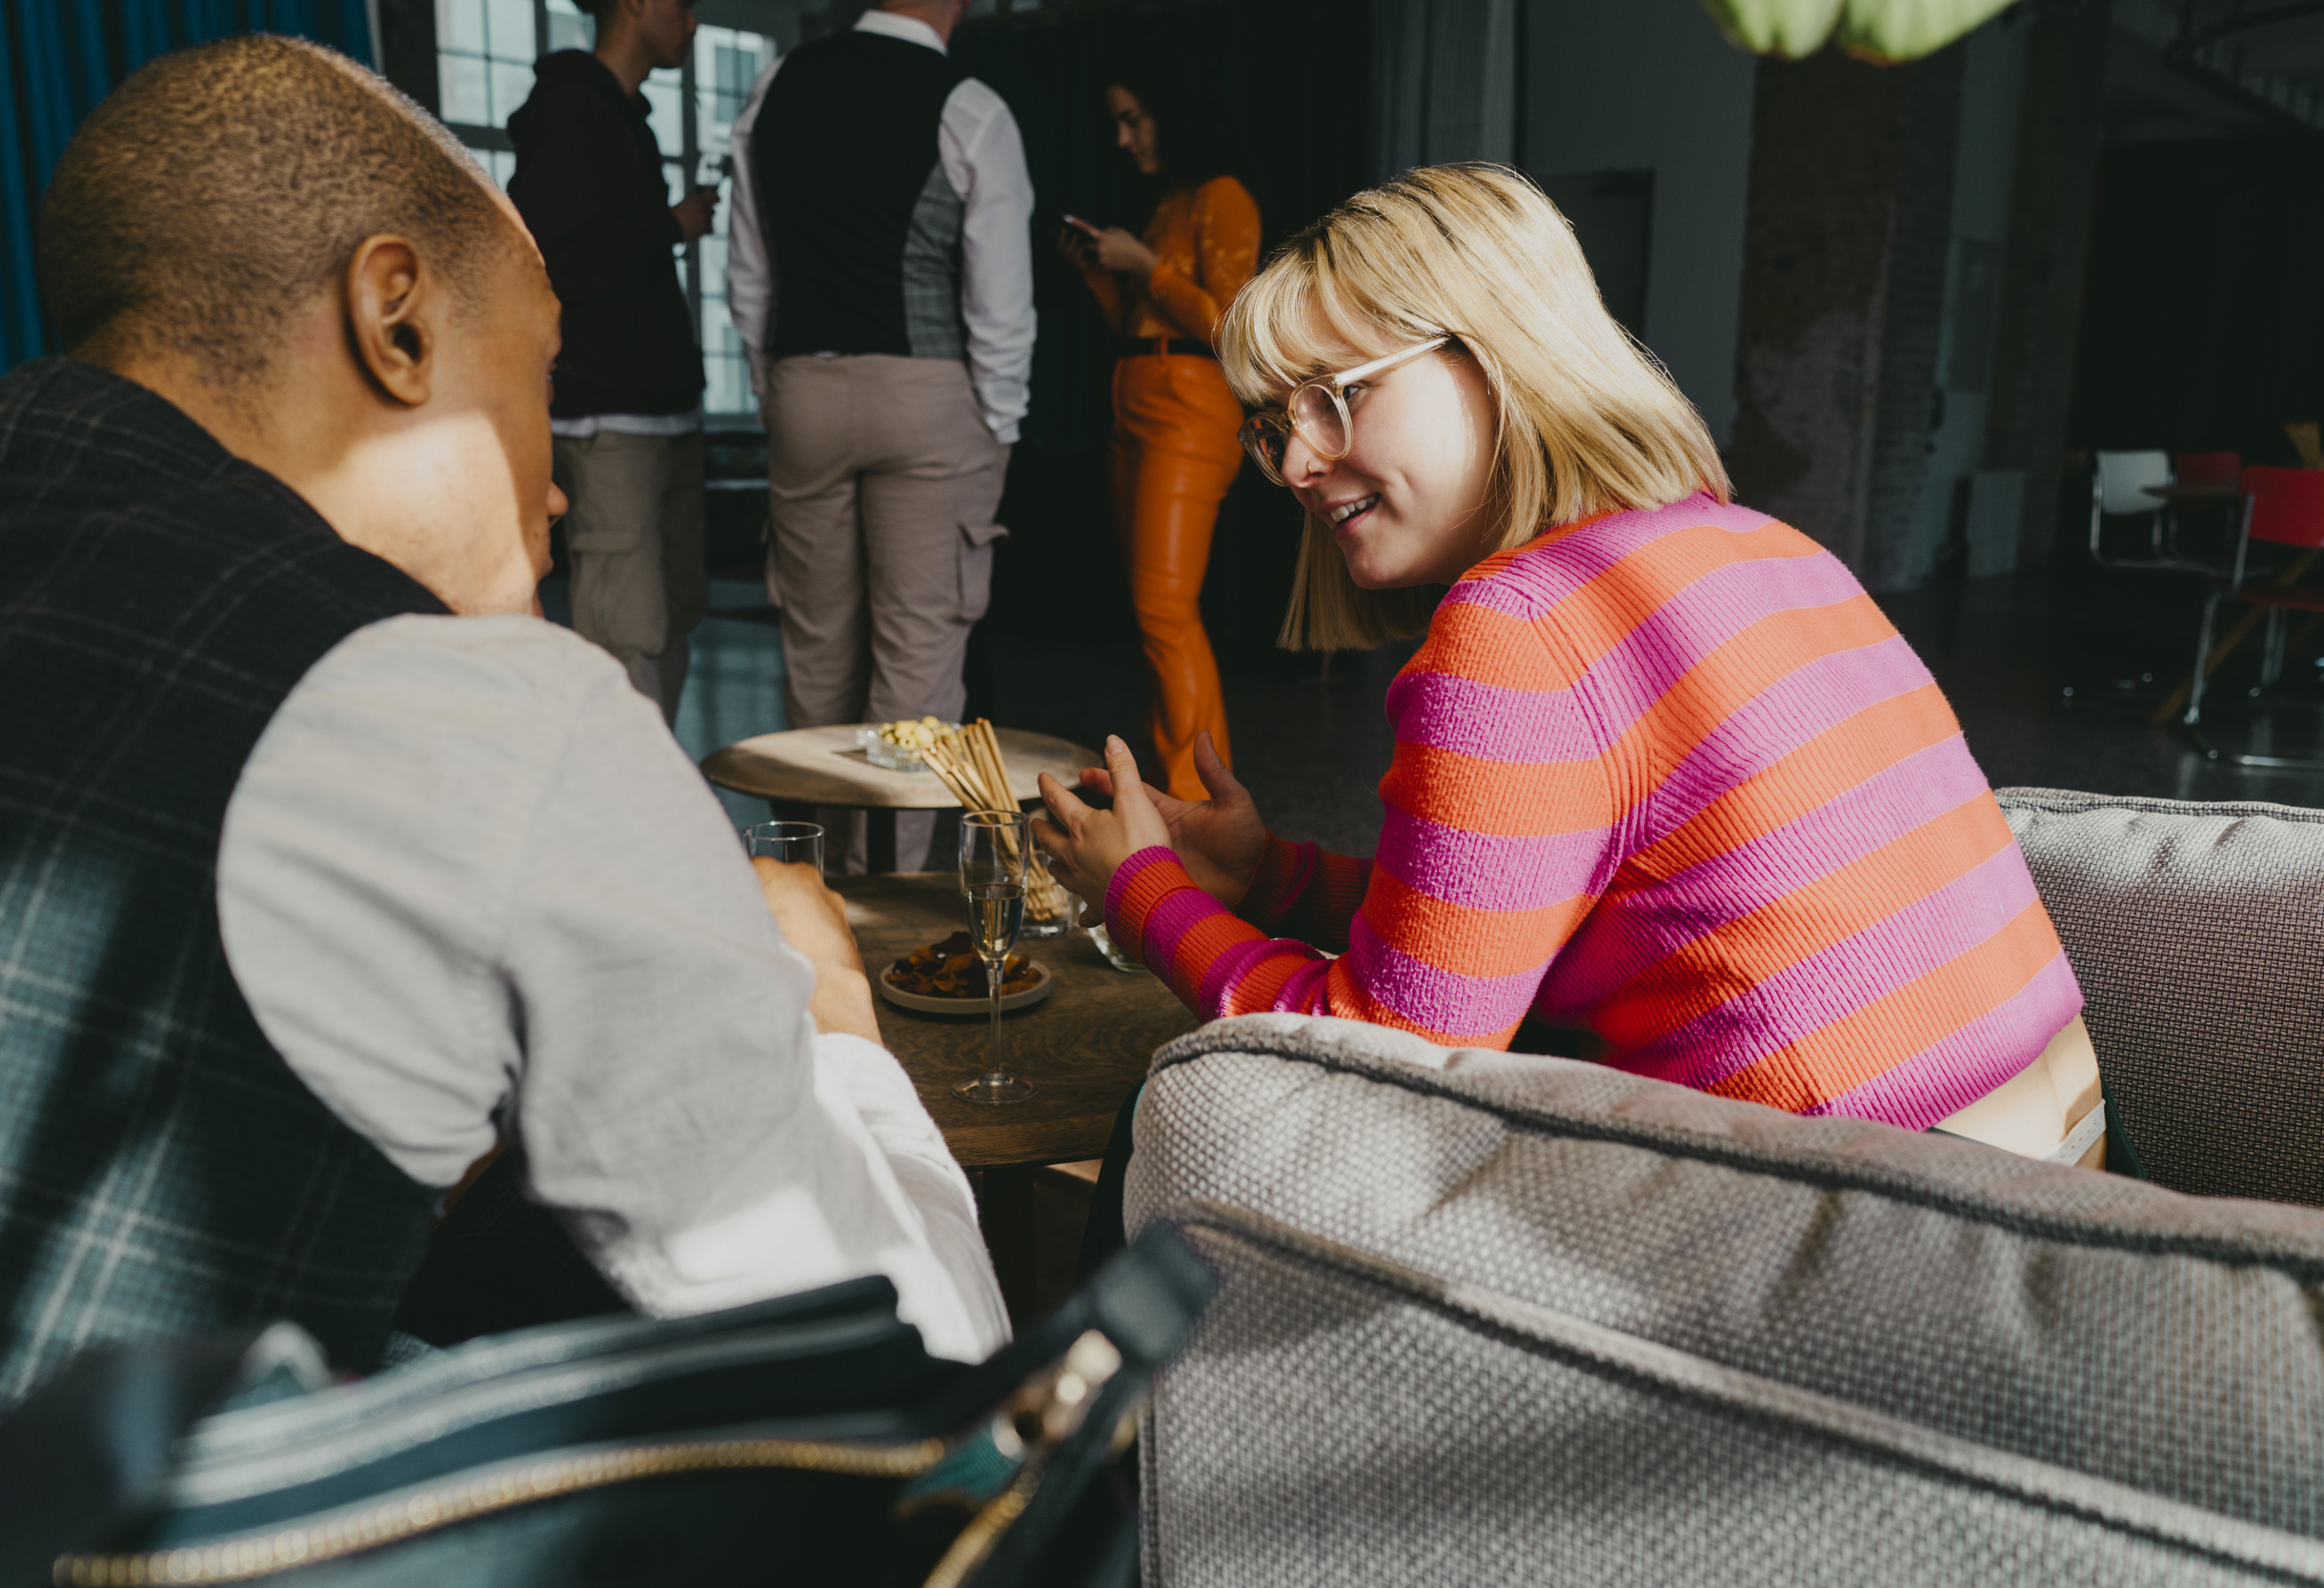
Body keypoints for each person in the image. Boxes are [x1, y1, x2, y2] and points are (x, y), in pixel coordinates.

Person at [0, 35, 1004, 1448]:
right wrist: (834, 1010)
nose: (555, 486)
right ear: (396, 321)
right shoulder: (465, 710)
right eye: (541, 373)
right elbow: (927, 1373)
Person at [1035, 164, 2111, 1166]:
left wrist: (1144, 893)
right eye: (1276, 425)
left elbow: (1384, 1066)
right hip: (2067, 1162)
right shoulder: (1765, 543)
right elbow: (1502, 919)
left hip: (1881, 1210)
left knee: (1170, 1110)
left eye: (1337, 395)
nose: (1300, 464)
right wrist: (1269, 877)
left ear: (1495, 353)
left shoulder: (1519, 625)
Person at [724, 0, 1036, 870]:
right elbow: (1001, 302)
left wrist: (776, 391)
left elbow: (749, 276)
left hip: (803, 389)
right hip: (929, 398)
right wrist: (999, 426)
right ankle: (884, 893)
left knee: (816, 654)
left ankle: (818, 880)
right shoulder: (969, 105)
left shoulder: (775, 88)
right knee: (917, 663)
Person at [507, 0, 715, 723]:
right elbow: (553, 259)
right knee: (628, 631)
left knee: (670, 617)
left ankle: (656, 784)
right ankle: (628, 794)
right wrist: (670, 224)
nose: (693, 23)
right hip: (609, 416)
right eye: (684, 5)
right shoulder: (570, 110)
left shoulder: (622, 115)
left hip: (662, 410)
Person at [1061, 55, 1260, 803]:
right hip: (1136, 404)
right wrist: (1100, 274)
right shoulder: (1171, 200)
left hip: (1189, 411)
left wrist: (1145, 264)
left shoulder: (1222, 196)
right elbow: (1139, 324)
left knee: (1164, 611)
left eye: (1133, 119)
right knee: (1159, 615)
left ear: (1171, 113)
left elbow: (1231, 327)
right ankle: (1192, 795)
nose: (1123, 138)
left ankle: (1198, 806)